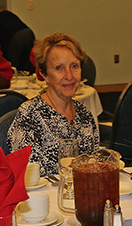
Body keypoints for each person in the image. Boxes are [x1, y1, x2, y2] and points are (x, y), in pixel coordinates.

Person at [7, 33, 99, 176]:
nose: (69, 76)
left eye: (74, 66)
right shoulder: (30, 114)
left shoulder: (84, 114)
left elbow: (94, 166)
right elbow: (26, 177)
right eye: (59, 68)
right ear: (44, 74)